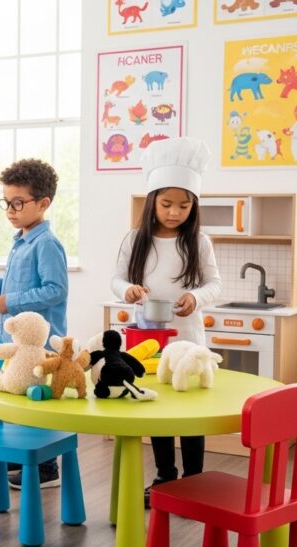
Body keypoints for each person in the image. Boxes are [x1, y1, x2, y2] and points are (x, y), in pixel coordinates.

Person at [109, 137, 222, 508]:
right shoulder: (134, 239)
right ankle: (164, 476)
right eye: (167, 204)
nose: (175, 212)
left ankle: (194, 479)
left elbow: (214, 284)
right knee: (157, 406)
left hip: (188, 339)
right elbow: (116, 279)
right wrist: (126, 290)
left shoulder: (198, 242)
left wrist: (196, 297)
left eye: (184, 206)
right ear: (152, 202)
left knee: (190, 411)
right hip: (149, 339)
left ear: (194, 206)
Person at [0, 158, 69, 489]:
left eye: (18, 203)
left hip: (40, 343)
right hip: (18, 343)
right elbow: (18, 283)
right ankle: (23, 456)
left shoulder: (46, 243)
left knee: (37, 401)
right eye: (6, 202)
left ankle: (46, 467)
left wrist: (10, 301)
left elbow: (55, 290)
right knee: (19, 396)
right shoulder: (21, 240)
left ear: (43, 203)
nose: (10, 210)